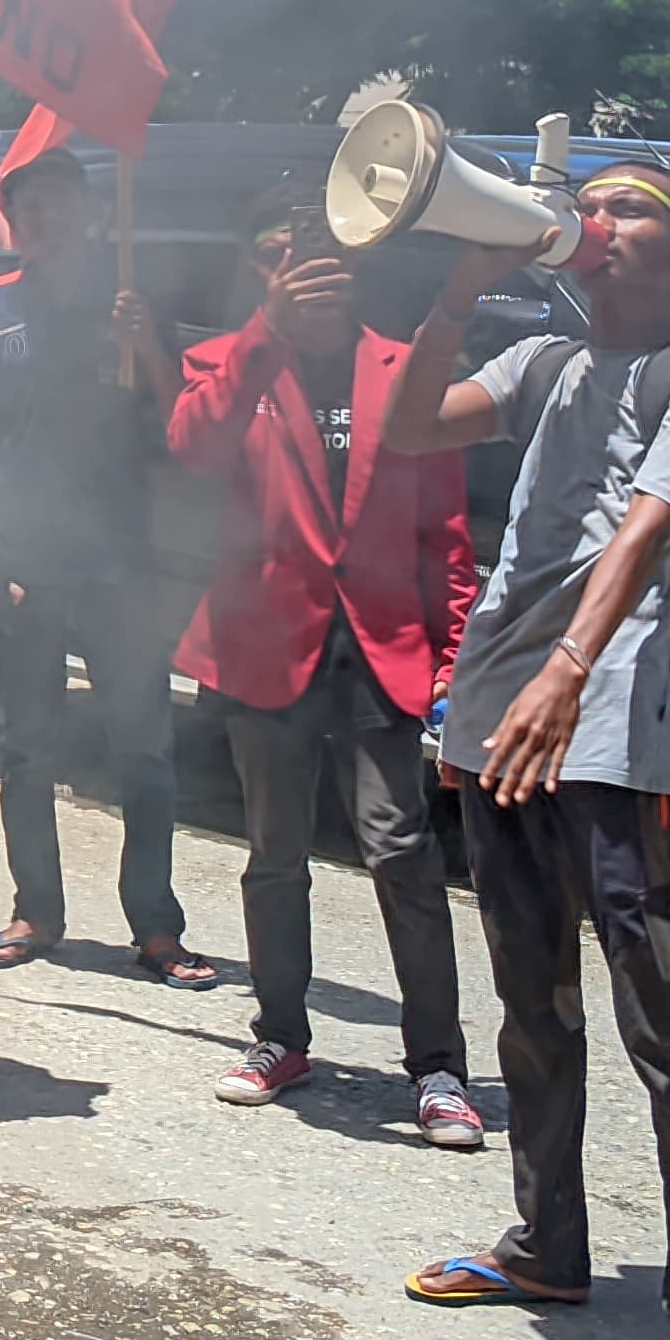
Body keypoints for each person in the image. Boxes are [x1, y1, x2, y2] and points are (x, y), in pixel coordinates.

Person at [382, 161, 670, 1340]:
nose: (596, 225)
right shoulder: (546, 366)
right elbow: (406, 425)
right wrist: (456, 294)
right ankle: (548, 1246)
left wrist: (568, 670)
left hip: (613, 727)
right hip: (504, 721)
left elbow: (650, 524)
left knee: (662, 1018)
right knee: (528, 998)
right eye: (588, 206)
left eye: (631, 210)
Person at [171, 196, 483, 1143]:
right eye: (281, 259)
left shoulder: (407, 370)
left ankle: (437, 1066)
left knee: (400, 853)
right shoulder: (226, 360)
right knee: (274, 855)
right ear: (259, 277)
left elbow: (449, 531)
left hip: (383, 650)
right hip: (266, 646)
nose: (308, 271)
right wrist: (265, 331)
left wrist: (455, 656)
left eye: (323, 257)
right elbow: (192, 450)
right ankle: (281, 1036)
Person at [0, 140, 205, 984]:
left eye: (60, 202)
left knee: (144, 748)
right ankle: (37, 911)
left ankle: (157, 927)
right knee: (26, 746)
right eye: (29, 207)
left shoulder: (131, 304)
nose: (45, 218)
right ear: (16, 223)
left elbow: (182, 431)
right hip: (26, 559)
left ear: (91, 212)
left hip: (120, 561)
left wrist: (153, 348)